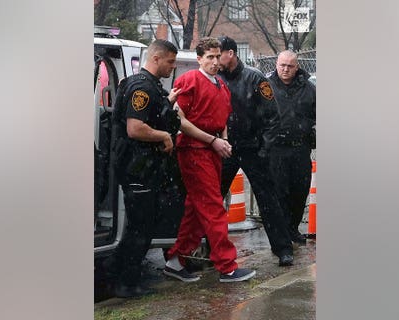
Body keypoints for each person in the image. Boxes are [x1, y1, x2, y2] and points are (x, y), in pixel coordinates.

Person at [163, 37, 256, 283]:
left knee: (196, 209)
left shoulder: (220, 85)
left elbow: (223, 116)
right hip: (194, 149)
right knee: (213, 207)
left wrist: (222, 140)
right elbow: (179, 119)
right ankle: (227, 266)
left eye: (217, 57)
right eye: (209, 58)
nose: (215, 62)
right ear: (199, 59)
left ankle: (176, 260)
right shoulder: (189, 80)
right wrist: (213, 140)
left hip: (212, 150)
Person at [106, 39, 185, 298]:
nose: (172, 67)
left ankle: (121, 279)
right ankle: (124, 283)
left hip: (145, 168)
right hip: (137, 168)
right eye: (170, 62)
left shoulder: (150, 87)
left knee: (142, 227)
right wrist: (164, 136)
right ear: (156, 59)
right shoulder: (142, 88)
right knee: (139, 229)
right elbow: (135, 127)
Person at [217, 36, 294, 266]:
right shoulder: (215, 78)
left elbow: (272, 117)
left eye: (218, 54)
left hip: (253, 148)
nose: (215, 60)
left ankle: (283, 248)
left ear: (230, 53)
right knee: (213, 199)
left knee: (268, 200)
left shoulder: (254, 78)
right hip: (226, 147)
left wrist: (264, 148)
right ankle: (211, 248)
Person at [267, 50, 316, 245]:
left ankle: (293, 229)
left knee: (299, 191)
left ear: (297, 67)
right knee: (279, 193)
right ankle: (281, 235)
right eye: (282, 65)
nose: (285, 69)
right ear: (276, 65)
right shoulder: (265, 87)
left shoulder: (309, 89)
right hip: (275, 149)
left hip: (300, 148)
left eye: (290, 66)